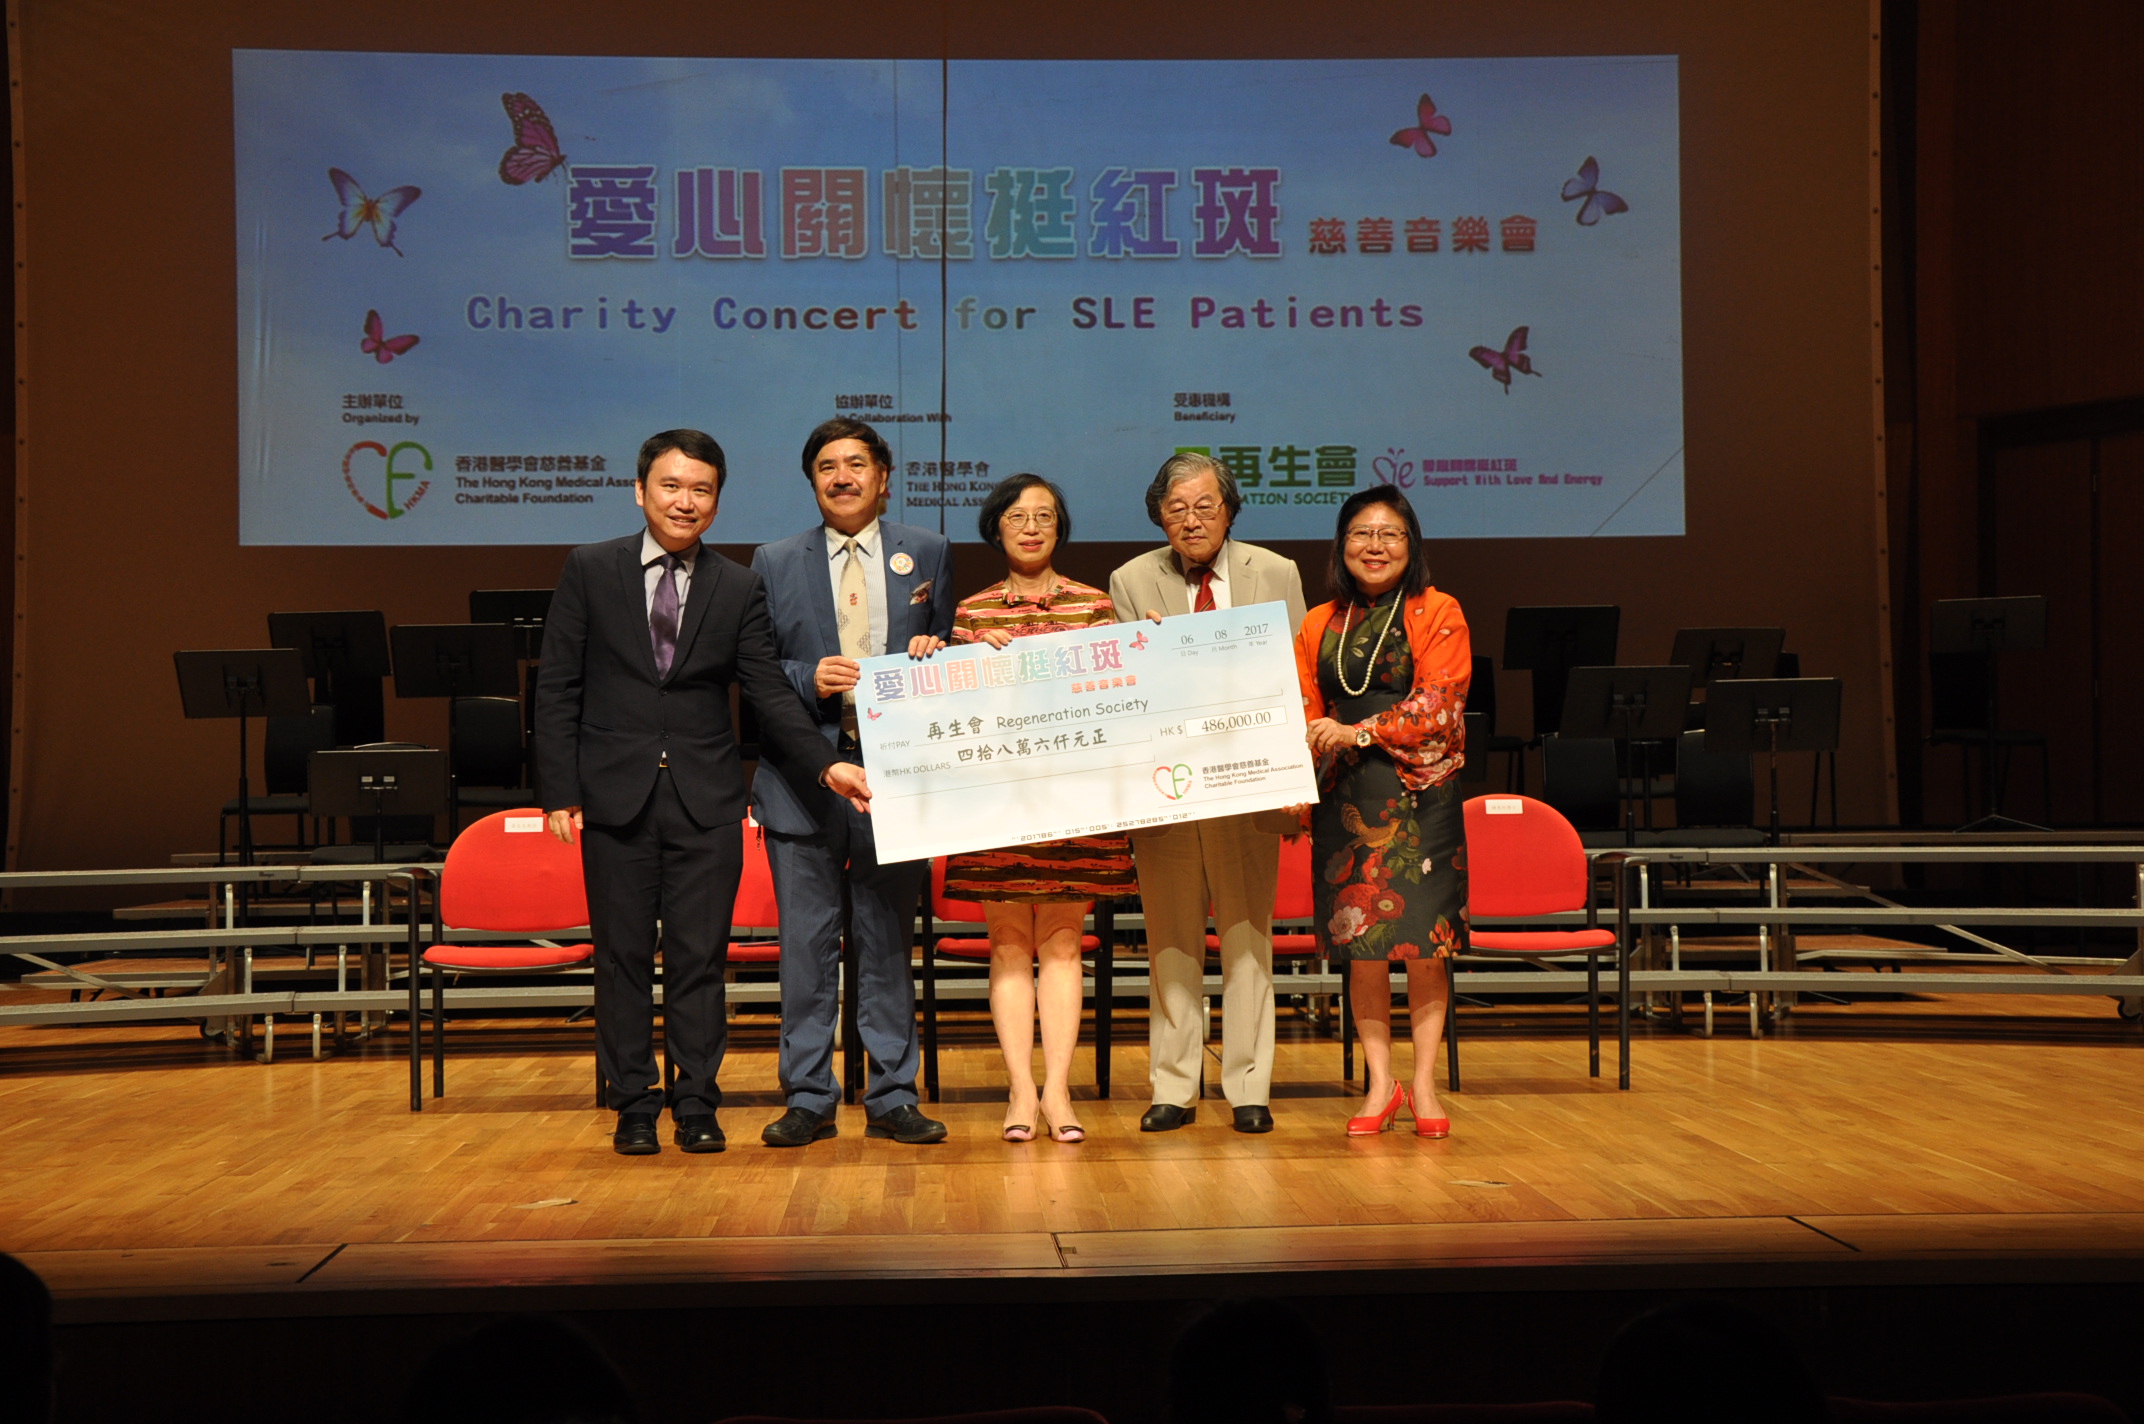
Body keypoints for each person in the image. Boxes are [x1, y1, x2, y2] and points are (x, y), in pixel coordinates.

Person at [535, 428, 871, 1157]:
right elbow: (557, 685)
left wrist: (826, 765)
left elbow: (768, 693)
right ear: (640, 491)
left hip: (707, 802)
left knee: (699, 961)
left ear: (716, 503)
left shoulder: (737, 585)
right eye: (671, 486)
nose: (685, 502)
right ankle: (633, 1105)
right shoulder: (590, 568)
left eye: (701, 490)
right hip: (615, 798)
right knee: (621, 960)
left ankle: (695, 1103)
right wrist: (560, 788)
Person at [750, 417, 956, 1147]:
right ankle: (808, 1096)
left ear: (883, 476)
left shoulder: (927, 551)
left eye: (857, 464)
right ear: (813, 481)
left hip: (895, 777)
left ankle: (893, 1093)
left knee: (887, 943)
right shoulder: (774, 560)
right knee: (807, 949)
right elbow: (753, 669)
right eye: (827, 467)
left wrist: (937, 650)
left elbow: (949, 654)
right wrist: (807, 676)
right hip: (802, 777)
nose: (842, 477)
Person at [1109, 451, 1307, 1134]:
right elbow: (1124, 691)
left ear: (1229, 511)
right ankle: (1174, 1086)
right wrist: (1148, 656)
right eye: (1176, 510)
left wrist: (1292, 779)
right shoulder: (1132, 579)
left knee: (1249, 939)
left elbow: (1295, 678)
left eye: (1204, 506)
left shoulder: (1275, 573)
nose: (1191, 521)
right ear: (1159, 518)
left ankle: (1249, 1086)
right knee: (1170, 941)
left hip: (1248, 784)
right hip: (1167, 787)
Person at [942, 474, 1136, 1144]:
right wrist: (963, 661)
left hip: (1074, 798)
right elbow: (954, 712)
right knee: (1006, 943)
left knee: (1061, 942)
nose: (1031, 528)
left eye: (1045, 516)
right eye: (1017, 517)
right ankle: (1019, 1090)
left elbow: (1117, 698)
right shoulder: (972, 614)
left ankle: (1058, 1090)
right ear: (995, 527)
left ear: (1061, 527)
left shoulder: (1093, 606)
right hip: (997, 800)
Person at [1292, 486, 1469, 1139]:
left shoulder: (1438, 609)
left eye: (1389, 534)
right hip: (1346, 794)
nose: (1375, 546)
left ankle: (1423, 1085)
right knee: (1362, 946)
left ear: (1410, 544)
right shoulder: (1319, 622)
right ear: (1341, 546)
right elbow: (1302, 707)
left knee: (1424, 946)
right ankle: (1379, 1084)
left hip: (1423, 796)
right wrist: (1307, 748)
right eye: (1361, 534)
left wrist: (1358, 732)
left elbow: (1439, 704)